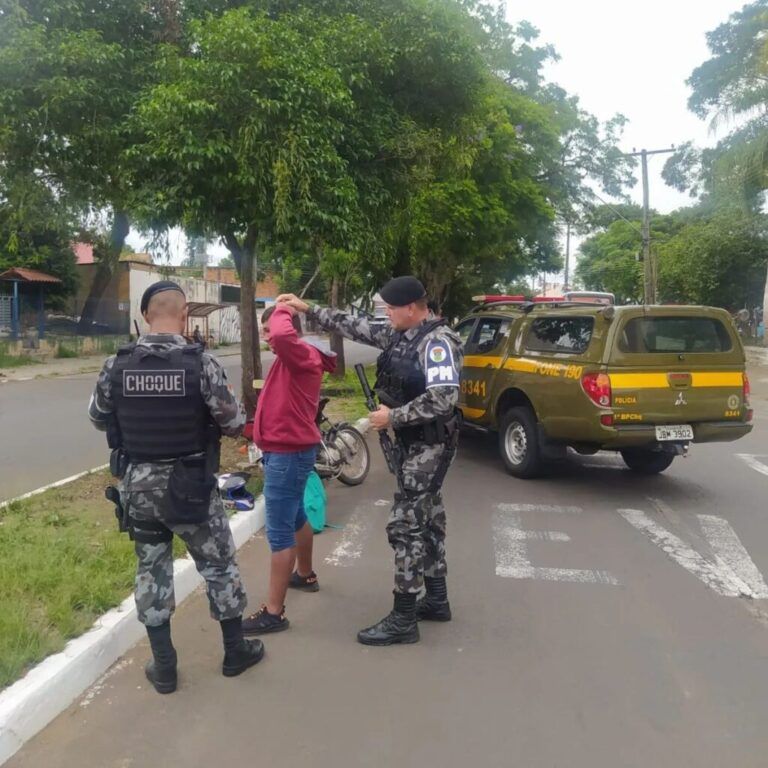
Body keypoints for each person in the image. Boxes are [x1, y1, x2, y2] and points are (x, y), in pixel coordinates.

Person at [88, 280, 264, 694]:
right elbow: (233, 422)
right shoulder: (199, 363)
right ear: (184, 315)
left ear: (145, 316)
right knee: (218, 565)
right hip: (192, 488)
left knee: (152, 571)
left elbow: (98, 417)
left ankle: (164, 667)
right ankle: (234, 653)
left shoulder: (117, 365)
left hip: (139, 489)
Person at [276, 276, 463, 646]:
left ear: (412, 307)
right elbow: (355, 325)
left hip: (430, 446)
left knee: (406, 526)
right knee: (429, 517)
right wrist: (308, 307)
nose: (386, 314)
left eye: (391, 308)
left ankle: (404, 618)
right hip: (413, 444)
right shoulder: (400, 333)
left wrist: (391, 418)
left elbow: (443, 398)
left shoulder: (437, 343)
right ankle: (437, 599)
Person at [241, 303, 337, 634]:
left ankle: (274, 613)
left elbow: (282, 334)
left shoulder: (301, 356)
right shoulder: (295, 357)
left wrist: (282, 307)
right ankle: (305, 574)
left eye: (267, 329)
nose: (268, 337)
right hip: (288, 452)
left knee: (279, 533)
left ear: (289, 329)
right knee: (296, 517)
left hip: (288, 454)